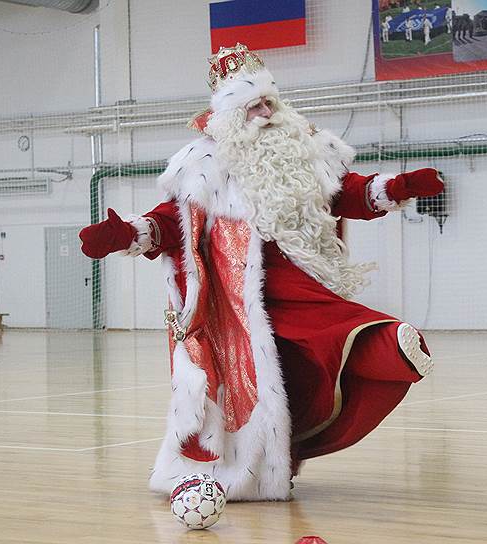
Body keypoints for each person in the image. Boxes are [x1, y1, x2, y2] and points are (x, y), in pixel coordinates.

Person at [78, 44, 444, 501]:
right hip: (237, 304)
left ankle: (390, 348)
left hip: (300, 283)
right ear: (231, 115)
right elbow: (173, 222)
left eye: (271, 101)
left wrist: (398, 187)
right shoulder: (204, 165)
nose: (267, 113)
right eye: (255, 106)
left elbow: (348, 192)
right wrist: (127, 233)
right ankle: (265, 468)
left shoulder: (303, 148)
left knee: (333, 338)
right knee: (271, 385)